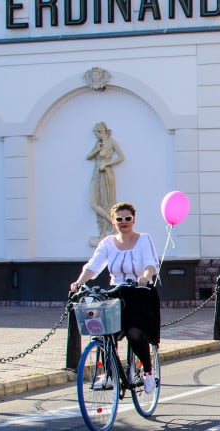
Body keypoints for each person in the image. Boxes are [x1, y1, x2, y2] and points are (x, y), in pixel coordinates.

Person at [71, 202, 161, 394]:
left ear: (134, 220)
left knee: (134, 332)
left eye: (127, 218)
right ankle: (110, 373)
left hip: (139, 292)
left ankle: (147, 371)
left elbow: (151, 263)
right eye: (119, 219)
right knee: (105, 332)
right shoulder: (107, 243)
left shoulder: (144, 239)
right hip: (116, 293)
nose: (124, 222)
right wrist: (79, 282)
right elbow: (94, 265)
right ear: (113, 221)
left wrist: (145, 276)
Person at [86, 122, 126, 238]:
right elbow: (88, 157)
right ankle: (112, 222)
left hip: (106, 173)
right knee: (94, 203)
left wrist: (108, 163)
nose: (95, 135)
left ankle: (104, 233)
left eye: (96, 133)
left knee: (106, 203)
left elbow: (121, 157)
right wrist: (97, 150)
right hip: (96, 173)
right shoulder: (98, 143)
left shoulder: (112, 142)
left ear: (101, 132)